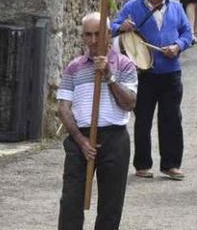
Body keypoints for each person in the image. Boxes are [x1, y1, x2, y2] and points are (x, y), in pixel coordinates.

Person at [57, 12, 138, 230]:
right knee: (70, 202)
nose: (93, 41)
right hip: (80, 138)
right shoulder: (74, 67)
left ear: (109, 34)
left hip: (114, 139)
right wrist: (81, 141)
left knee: (110, 205)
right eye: (88, 35)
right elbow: (63, 107)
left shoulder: (125, 65)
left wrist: (110, 77)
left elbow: (129, 103)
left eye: (98, 34)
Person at [111, 0, 193, 180]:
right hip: (143, 74)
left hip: (171, 72)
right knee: (143, 119)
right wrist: (122, 26)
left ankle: (171, 164)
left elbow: (187, 33)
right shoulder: (132, 7)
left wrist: (177, 46)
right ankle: (142, 165)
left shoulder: (175, 7)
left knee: (172, 118)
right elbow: (111, 26)